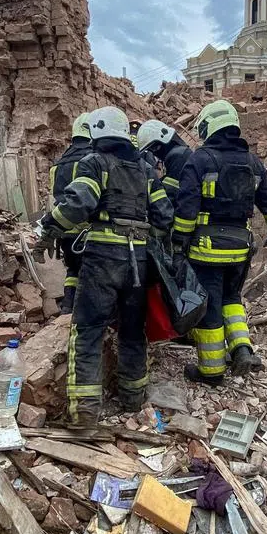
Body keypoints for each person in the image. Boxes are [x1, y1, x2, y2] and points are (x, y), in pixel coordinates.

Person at [36, 106, 174, 426]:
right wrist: (143, 235)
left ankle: (85, 410)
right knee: (132, 331)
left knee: (88, 330)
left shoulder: (95, 162)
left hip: (102, 260)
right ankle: (132, 398)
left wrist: (48, 230)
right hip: (138, 262)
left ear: (96, 132)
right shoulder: (145, 169)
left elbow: (77, 203)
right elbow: (164, 216)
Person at [172, 100, 267, 385]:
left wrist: (178, 244)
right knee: (232, 299)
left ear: (209, 126)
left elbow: (186, 209)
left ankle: (211, 371)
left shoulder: (199, 160)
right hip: (240, 249)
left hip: (206, 250)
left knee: (209, 306)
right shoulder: (254, 163)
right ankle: (242, 349)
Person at [48, 112, 94, 313]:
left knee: (72, 270)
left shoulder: (57, 164)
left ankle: (68, 307)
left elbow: (56, 197)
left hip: (65, 229)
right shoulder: (92, 159)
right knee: (91, 272)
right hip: (88, 230)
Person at [135, 119, 193, 209]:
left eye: (154, 148)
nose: (154, 153)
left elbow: (170, 193)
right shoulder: (181, 153)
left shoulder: (177, 156)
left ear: (163, 139)